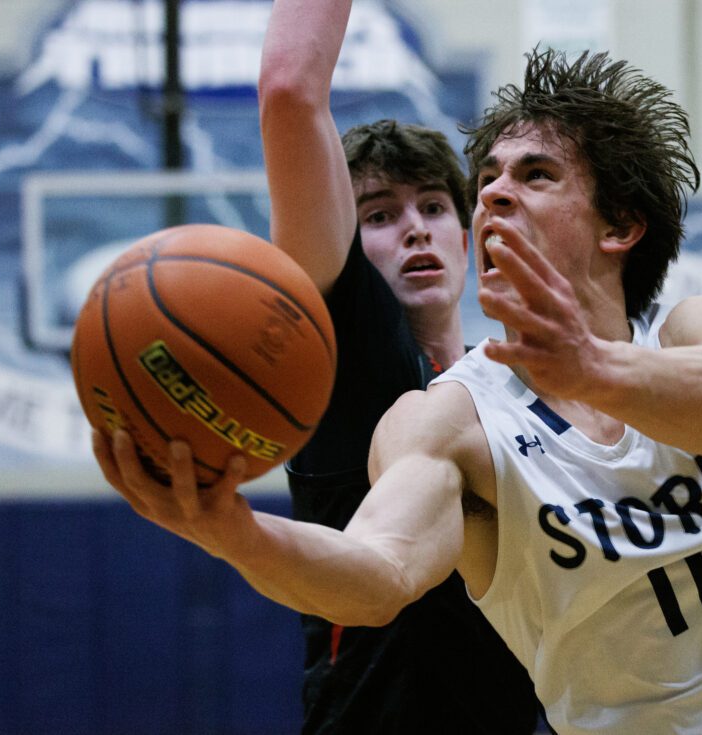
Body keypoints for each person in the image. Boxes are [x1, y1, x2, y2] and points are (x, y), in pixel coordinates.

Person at [95, 46, 702, 735]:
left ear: (622, 226)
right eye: (486, 183)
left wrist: (589, 368)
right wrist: (231, 529)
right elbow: (374, 577)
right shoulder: (448, 420)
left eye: (535, 175)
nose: (494, 199)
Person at [253, 0, 538, 732]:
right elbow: (289, 91)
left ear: (469, 237)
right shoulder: (351, 354)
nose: (413, 227)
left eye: (435, 207)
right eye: (379, 215)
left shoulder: (512, 382)